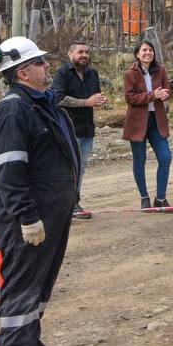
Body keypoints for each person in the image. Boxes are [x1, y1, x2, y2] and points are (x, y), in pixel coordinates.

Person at [0, 36, 81, 346]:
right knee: (21, 292)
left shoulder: (43, 104)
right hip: (29, 220)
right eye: (40, 62)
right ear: (23, 71)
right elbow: (9, 172)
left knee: (39, 289)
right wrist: (27, 217)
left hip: (52, 216)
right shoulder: (13, 110)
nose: (46, 66)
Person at [51, 41, 107, 219]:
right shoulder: (62, 73)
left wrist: (98, 101)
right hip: (68, 129)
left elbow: (94, 95)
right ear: (70, 54)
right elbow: (57, 98)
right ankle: (62, 204)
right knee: (67, 168)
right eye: (80, 52)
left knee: (80, 168)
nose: (84, 55)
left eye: (87, 52)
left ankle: (74, 203)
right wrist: (86, 102)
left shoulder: (92, 73)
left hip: (87, 128)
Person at [123, 41, 173, 211]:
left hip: (156, 120)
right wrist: (153, 95)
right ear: (137, 54)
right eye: (144, 50)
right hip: (137, 122)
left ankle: (160, 198)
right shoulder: (130, 73)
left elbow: (167, 89)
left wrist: (165, 94)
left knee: (166, 158)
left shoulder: (161, 70)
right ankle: (144, 197)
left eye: (150, 50)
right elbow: (130, 98)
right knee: (140, 160)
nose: (148, 53)